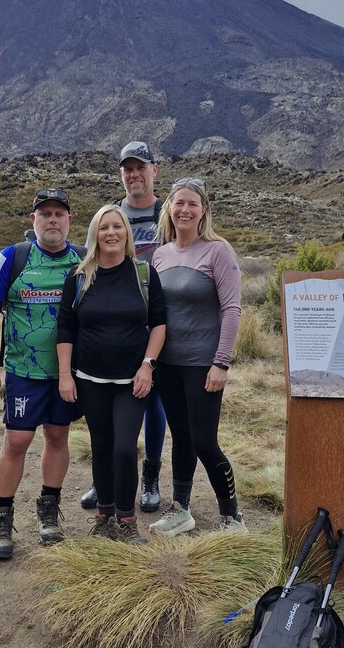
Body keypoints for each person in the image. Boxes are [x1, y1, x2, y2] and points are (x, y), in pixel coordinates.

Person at [0, 188, 84, 560]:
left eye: (59, 214)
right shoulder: (12, 258)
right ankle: (2, 516)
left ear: (69, 220)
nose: (52, 220)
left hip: (67, 373)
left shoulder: (84, 260)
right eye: (45, 214)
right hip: (24, 369)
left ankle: (49, 510)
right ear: (33, 220)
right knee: (17, 441)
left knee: (57, 436)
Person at [57, 204, 166, 543]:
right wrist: (65, 375)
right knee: (101, 446)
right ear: (95, 234)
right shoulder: (79, 276)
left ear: (126, 233)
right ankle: (104, 516)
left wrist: (147, 365)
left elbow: (159, 323)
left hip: (132, 381)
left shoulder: (143, 274)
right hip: (90, 379)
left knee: (123, 449)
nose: (111, 233)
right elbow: (65, 328)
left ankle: (126, 520)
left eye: (117, 226)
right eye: (104, 227)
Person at [149, 177, 245, 535]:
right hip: (169, 365)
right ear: (169, 209)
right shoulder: (161, 254)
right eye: (179, 203)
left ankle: (232, 517)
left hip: (204, 365)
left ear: (204, 210)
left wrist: (221, 362)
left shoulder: (218, 251)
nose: (185, 210)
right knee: (182, 437)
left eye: (192, 204)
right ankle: (181, 510)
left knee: (204, 441)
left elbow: (232, 309)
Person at [80, 140, 167, 513]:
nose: (134, 175)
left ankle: (149, 474)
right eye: (127, 169)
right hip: (119, 316)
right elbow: (89, 257)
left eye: (140, 168)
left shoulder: (168, 212)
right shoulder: (111, 215)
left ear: (153, 171)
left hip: (159, 316)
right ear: (121, 175)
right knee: (110, 423)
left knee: (153, 401)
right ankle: (108, 482)